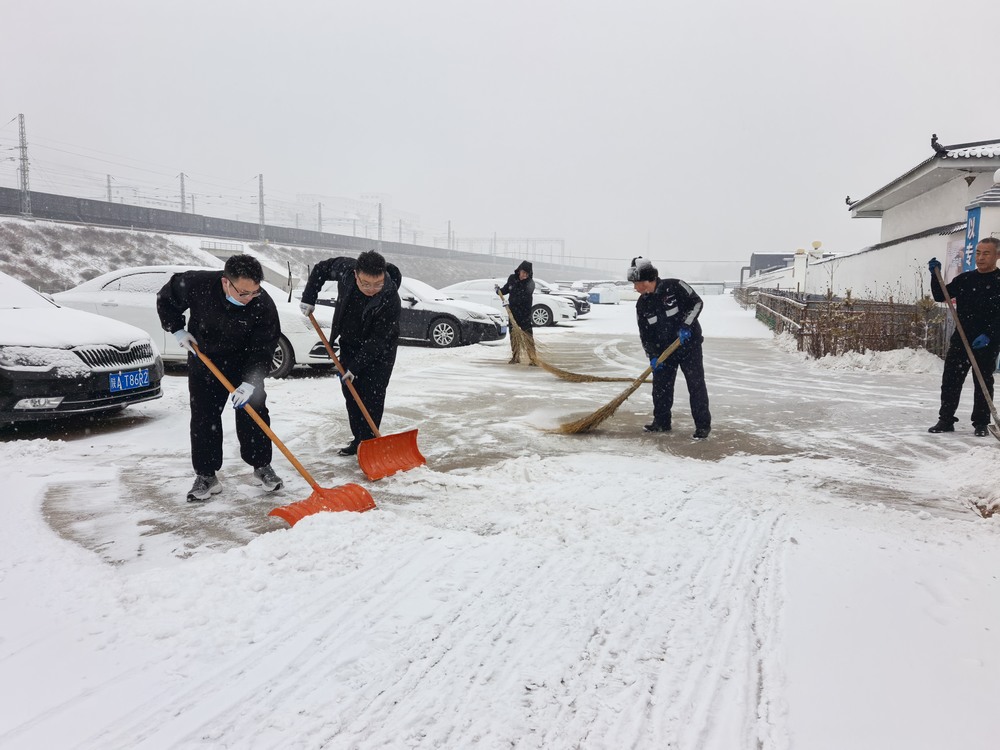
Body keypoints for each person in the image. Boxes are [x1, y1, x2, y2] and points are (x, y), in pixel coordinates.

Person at [157, 254, 284, 501]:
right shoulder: (197, 284)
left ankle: (261, 467)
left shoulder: (263, 304)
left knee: (255, 413)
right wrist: (177, 329)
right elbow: (166, 298)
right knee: (205, 417)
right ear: (226, 282)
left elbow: (265, 346)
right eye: (243, 293)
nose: (249, 298)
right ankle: (206, 475)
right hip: (206, 360)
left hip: (245, 364)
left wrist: (250, 382)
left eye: (254, 292)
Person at [299, 250, 402, 456]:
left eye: (377, 284)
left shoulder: (390, 298)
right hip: (350, 344)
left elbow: (378, 340)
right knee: (351, 394)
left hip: (381, 352)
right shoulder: (345, 270)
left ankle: (369, 441)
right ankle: (359, 440)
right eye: (365, 284)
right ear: (356, 274)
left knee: (372, 397)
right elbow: (321, 268)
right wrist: (309, 296)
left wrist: (355, 367)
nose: (372, 289)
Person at [629, 256, 711, 439]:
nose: (634, 288)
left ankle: (703, 426)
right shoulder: (642, 304)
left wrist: (686, 325)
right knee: (661, 387)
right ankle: (661, 422)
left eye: (636, 283)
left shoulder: (675, 287)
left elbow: (697, 303)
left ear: (646, 280)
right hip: (663, 351)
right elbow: (645, 334)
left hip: (689, 346)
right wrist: (652, 355)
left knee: (696, 385)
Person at [927, 237, 1000, 437]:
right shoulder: (966, 279)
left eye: (986, 253)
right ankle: (946, 419)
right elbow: (941, 295)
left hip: (986, 342)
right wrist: (935, 275)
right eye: (978, 252)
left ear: (997, 256)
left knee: (983, 382)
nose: (980, 257)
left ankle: (981, 423)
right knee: (951, 380)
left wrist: (990, 335)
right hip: (961, 339)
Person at [496, 260, 537, 364]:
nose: (524, 275)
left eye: (527, 274)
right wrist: (499, 291)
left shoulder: (530, 283)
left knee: (528, 336)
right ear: (519, 270)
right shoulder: (512, 278)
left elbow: (523, 295)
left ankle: (533, 359)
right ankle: (515, 357)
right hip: (512, 313)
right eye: (523, 272)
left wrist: (517, 285)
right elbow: (506, 289)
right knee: (513, 336)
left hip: (524, 313)